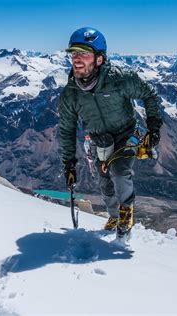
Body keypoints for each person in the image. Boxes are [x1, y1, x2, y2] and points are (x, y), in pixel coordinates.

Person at [58, 27, 162, 239]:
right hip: (99, 140)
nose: (76, 59)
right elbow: (67, 129)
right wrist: (69, 164)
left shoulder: (120, 79)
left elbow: (149, 95)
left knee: (119, 170)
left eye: (83, 54)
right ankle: (114, 215)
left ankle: (125, 214)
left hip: (126, 134)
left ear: (99, 59)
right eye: (73, 54)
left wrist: (153, 127)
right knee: (104, 181)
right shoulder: (71, 94)